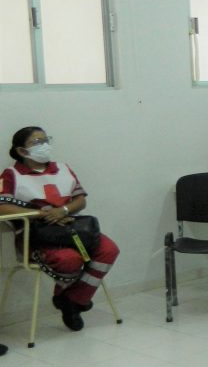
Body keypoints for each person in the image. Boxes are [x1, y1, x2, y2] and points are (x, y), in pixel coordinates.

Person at [0, 127, 120, 331]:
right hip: (37, 235)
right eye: (37, 142)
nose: (44, 145)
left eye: (46, 140)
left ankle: (72, 300)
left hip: (72, 228)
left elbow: (80, 200)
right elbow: (2, 207)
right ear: (21, 151)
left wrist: (63, 210)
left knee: (108, 250)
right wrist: (42, 214)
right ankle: (71, 301)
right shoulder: (11, 175)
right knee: (68, 260)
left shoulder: (63, 168)